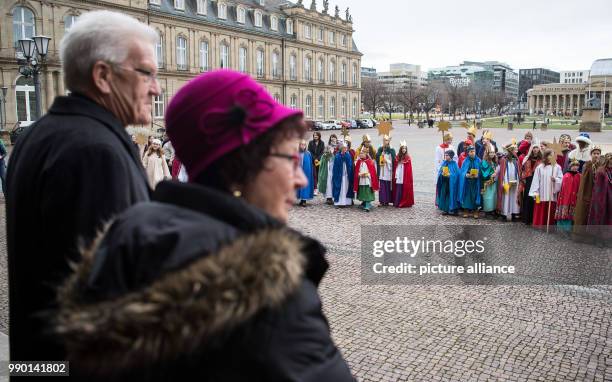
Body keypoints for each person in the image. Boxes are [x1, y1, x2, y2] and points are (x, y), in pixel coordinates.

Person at [51, 70, 354, 381]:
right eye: (290, 159)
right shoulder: (273, 296)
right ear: (243, 164)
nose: (302, 178)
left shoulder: (126, 234)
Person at [6, 11, 156, 361]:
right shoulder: (95, 153)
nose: (156, 87)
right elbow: (110, 295)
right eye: (146, 72)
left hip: (39, 361)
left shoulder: (41, 134)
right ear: (103, 75)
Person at [529, 149, 563, 228]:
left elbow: (561, 179)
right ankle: (539, 225)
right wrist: (535, 192)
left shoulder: (557, 167)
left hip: (551, 193)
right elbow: (536, 180)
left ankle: (549, 225)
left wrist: (555, 180)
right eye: (550, 155)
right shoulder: (540, 167)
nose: (552, 157)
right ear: (546, 156)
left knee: (550, 210)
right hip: (542, 192)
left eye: (553, 155)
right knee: (541, 209)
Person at [573, 146, 602, 228]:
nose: (596, 155)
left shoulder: (601, 166)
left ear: (600, 155)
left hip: (597, 193)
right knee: (583, 212)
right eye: (594, 153)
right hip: (587, 192)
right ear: (591, 154)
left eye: (598, 154)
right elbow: (584, 180)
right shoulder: (587, 165)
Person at [518, 142, 542, 225]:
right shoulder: (527, 158)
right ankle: (525, 218)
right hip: (528, 180)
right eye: (534, 148)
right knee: (527, 198)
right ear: (532, 149)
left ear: (539, 149)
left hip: (536, 181)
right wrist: (523, 178)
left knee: (534, 199)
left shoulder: (541, 160)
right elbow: (522, 168)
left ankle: (533, 218)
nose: (535, 150)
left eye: (537, 148)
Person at [496, 143, 521, 221]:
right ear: (510, 150)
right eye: (514, 150)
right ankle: (504, 214)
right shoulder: (504, 159)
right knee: (506, 198)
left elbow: (518, 171)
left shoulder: (516, 159)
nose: (515, 151)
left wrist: (517, 181)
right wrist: (505, 183)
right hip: (506, 182)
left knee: (514, 198)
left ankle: (514, 213)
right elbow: (503, 172)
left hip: (515, 182)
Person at [555, 159, 582, 232]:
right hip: (565, 198)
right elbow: (563, 188)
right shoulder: (566, 175)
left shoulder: (579, 176)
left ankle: (568, 229)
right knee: (563, 213)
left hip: (574, 198)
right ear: (570, 166)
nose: (575, 167)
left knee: (571, 215)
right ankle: (560, 229)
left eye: (577, 166)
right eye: (573, 165)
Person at [587, 153, 612, 227]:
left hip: (610, 197)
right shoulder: (601, 171)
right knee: (601, 215)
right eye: (610, 160)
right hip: (602, 197)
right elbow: (598, 185)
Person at [458, 146, 482, 218]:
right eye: (471, 152)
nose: (472, 153)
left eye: (473, 151)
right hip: (468, 182)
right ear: (468, 153)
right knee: (467, 196)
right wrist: (466, 175)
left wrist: (478, 175)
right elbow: (462, 172)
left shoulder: (479, 160)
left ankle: (475, 211)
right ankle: (466, 210)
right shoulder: (465, 161)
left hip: (475, 182)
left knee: (475, 195)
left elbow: (481, 171)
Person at [436, 150, 460, 215]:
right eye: (445, 155)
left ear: (451, 156)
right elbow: (440, 172)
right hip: (445, 182)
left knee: (452, 195)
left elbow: (457, 174)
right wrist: (442, 174)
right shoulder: (444, 163)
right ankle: (445, 209)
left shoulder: (454, 164)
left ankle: (453, 209)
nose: (446, 156)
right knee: (445, 195)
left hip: (452, 184)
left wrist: (450, 175)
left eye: (447, 155)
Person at [332, 140, 354, 207]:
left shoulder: (348, 155)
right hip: (339, 175)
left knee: (346, 187)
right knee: (340, 188)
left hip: (346, 175)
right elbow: (335, 166)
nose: (345, 149)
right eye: (344, 148)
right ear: (341, 148)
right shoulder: (337, 156)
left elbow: (350, 165)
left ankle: (347, 201)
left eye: (346, 148)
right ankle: (339, 202)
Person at [393, 140, 415, 208]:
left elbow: (408, 168)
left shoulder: (408, 157)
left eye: (405, 148)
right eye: (402, 148)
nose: (404, 150)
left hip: (405, 175)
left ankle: (405, 201)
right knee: (399, 187)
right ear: (400, 149)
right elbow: (395, 165)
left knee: (404, 187)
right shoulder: (397, 156)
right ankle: (397, 201)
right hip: (399, 174)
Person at [376, 135, 396, 206]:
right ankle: (382, 201)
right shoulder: (380, 149)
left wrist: (387, 160)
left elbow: (394, 160)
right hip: (382, 170)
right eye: (384, 140)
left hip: (388, 170)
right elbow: (377, 157)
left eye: (386, 140)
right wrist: (381, 154)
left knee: (387, 186)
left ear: (389, 141)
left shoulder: (392, 150)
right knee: (382, 186)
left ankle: (387, 200)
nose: (385, 142)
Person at [480, 146, 498, 218]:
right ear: (487, 153)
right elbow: (484, 173)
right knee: (488, 197)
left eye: (493, 152)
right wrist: (492, 174)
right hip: (486, 183)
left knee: (493, 196)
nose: (492, 154)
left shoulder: (494, 161)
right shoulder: (484, 162)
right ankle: (487, 212)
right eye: (490, 152)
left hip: (493, 182)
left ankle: (492, 210)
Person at [297, 139, 315, 206]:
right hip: (299, 172)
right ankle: (301, 199)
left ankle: (304, 200)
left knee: (305, 185)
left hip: (306, 172)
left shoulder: (308, 153)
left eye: (304, 145)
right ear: (299, 145)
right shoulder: (297, 153)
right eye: (301, 144)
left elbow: (310, 164)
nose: (303, 146)